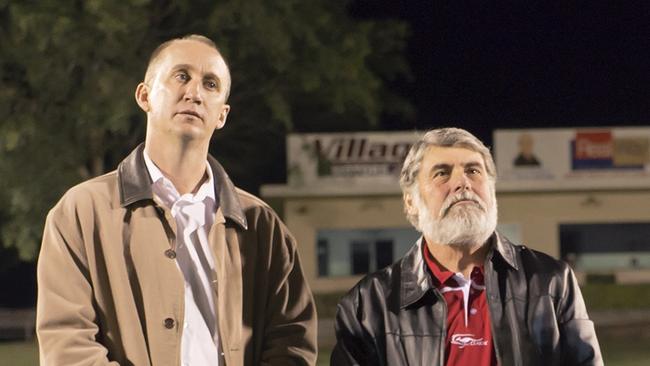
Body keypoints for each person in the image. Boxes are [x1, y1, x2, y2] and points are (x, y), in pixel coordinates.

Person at [36, 34, 317, 366]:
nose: (194, 93)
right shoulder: (81, 211)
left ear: (222, 114)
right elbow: (68, 344)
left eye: (210, 84)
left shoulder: (261, 224)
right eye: (181, 76)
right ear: (144, 95)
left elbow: (292, 340)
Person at [331, 128, 602, 365]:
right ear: (410, 201)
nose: (462, 183)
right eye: (442, 173)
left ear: (492, 190)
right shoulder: (368, 303)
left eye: (473, 171)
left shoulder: (551, 282)